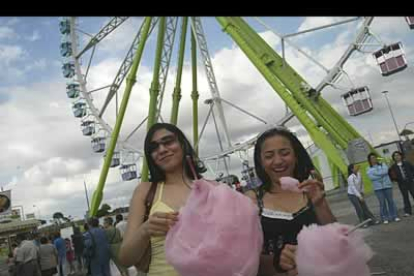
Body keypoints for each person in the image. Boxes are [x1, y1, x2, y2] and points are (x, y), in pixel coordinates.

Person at [244, 127, 336, 276]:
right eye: (269, 156)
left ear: (296, 156)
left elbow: (337, 241)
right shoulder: (252, 200)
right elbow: (247, 259)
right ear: (260, 162)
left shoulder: (310, 191)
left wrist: (320, 204)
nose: (278, 161)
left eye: (285, 153)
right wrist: (278, 262)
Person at [118, 123, 205, 276]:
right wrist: (145, 230)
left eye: (168, 141)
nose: (162, 150)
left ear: (183, 144)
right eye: (154, 148)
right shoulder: (145, 191)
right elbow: (125, 258)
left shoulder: (209, 188)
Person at [366, 153, 400, 224]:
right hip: (378, 188)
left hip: (387, 186)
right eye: (371, 158)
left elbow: (385, 171)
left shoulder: (383, 165)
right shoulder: (368, 168)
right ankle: (385, 217)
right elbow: (371, 178)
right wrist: (381, 174)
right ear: (369, 160)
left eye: (374, 157)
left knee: (390, 201)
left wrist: (376, 173)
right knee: (382, 203)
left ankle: (394, 216)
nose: (373, 159)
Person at [389, 151, 414, 217]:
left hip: (410, 182)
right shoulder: (393, 167)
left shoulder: (407, 163)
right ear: (393, 158)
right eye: (395, 156)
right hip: (402, 184)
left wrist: (412, 177)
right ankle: (408, 211)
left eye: (398, 155)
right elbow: (391, 175)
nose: (397, 157)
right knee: (405, 197)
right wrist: (395, 180)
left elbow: (412, 170)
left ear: (401, 156)